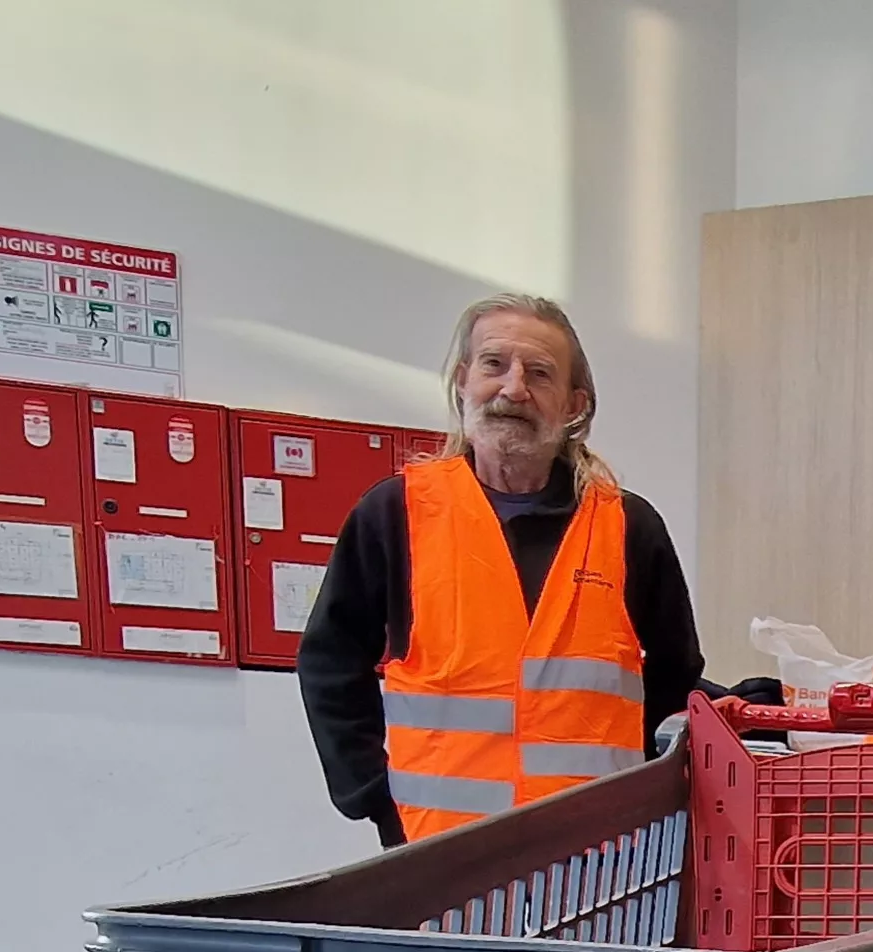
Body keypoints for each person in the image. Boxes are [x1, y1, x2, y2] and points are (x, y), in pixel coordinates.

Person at [299, 293, 764, 846]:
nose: (513, 389)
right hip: (437, 854)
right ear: (464, 380)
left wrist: (624, 783)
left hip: (595, 853)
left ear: (574, 405)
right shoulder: (397, 512)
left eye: (539, 374)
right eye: (494, 365)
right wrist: (374, 798)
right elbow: (329, 664)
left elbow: (675, 669)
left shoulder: (626, 526)